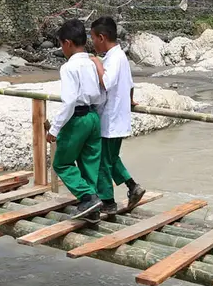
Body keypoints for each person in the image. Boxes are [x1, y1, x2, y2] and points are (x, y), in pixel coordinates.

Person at [47, 19, 105, 222]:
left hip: (78, 118)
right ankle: (93, 207)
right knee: (90, 162)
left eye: (61, 44)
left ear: (68, 43)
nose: (62, 48)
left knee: (61, 163)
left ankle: (87, 197)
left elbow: (70, 101)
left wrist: (54, 129)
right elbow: (101, 92)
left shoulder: (68, 68)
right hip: (93, 116)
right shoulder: (91, 63)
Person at [90, 17, 146, 215]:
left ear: (102, 37)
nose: (93, 43)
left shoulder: (112, 58)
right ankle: (132, 186)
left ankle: (108, 201)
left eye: (94, 38)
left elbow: (106, 82)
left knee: (103, 161)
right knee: (112, 158)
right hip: (119, 117)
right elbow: (130, 85)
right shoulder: (120, 56)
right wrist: (130, 101)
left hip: (110, 119)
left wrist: (96, 62)